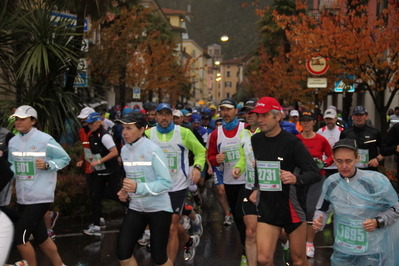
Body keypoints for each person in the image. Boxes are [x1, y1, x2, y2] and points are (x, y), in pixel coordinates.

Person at [248, 97, 321, 266]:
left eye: (265, 115)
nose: (260, 120)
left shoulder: (293, 143)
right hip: (268, 207)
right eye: (258, 115)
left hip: (292, 208)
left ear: (279, 116)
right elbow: (262, 165)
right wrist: (257, 187)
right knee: (263, 259)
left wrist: (296, 179)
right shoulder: (256, 140)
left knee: (298, 260)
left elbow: (314, 173)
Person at [313, 139, 399, 266]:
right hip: (343, 251)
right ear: (333, 159)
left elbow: (396, 208)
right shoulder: (331, 182)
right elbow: (323, 209)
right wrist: (318, 220)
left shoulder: (374, 182)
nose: (344, 166)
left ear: (357, 158)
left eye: (348, 161)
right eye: (339, 161)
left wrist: (378, 221)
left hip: (371, 251)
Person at [8, 105, 70, 266]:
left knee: (20, 238)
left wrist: (48, 165)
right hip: (23, 197)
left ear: (33, 120)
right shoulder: (13, 141)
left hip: (41, 197)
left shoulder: (45, 139)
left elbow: (65, 158)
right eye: (16, 119)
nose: (18, 122)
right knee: (41, 237)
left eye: (22, 119)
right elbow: (11, 167)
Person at [145, 103, 206, 262]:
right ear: (155, 116)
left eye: (167, 114)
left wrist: (197, 167)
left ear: (172, 116)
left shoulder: (184, 133)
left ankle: (168, 263)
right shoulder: (148, 134)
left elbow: (200, 151)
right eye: (160, 114)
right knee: (162, 225)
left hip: (178, 185)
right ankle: (188, 241)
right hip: (158, 186)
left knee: (171, 226)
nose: (164, 118)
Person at [115, 111, 173, 266]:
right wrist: (126, 190)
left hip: (159, 209)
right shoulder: (125, 150)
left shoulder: (153, 149)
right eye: (123, 128)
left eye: (129, 128)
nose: (124, 133)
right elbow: (134, 178)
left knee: (159, 256)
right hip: (136, 208)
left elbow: (166, 183)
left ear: (141, 130)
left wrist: (138, 187)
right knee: (123, 252)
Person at [207, 98, 247, 265]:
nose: (225, 113)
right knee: (238, 218)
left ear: (235, 111)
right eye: (222, 110)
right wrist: (216, 159)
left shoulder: (246, 129)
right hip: (230, 181)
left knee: (244, 215)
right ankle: (248, 245)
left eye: (228, 109)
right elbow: (210, 156)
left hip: (248, 182)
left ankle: (247, 249)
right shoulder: (217, 133)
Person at [83, 112, 127, 237]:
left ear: (98, 122)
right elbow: (97, 152)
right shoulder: (92, 135)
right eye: (88, 123)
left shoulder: (105, 136)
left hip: (112, 171)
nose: (89, 126)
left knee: (115, 193)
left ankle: (131, 207)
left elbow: (114, 152)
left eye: (92, 123)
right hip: (100, 171)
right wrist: (92, 161)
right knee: (95, 195)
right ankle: (96, 224)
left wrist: (99, 161)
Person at [296, 111, 333, 258]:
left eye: (308, 121)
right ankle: (297, 240)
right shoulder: (296, 140)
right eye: (303, 120)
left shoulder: (321, 139)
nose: (306, 123)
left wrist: (324, 163)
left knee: (311, 209)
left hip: (317, 179)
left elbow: (331, 155)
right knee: (299, 210)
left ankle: (309, 243)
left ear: (313, 123)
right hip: (299, 179)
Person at [232, 98, 260, 266]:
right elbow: (243, 158)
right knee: (250, 231)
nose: (248, 116)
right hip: (249, 186)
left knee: (281, 232)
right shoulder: (244, 133)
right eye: (246, 112)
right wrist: (238, 168)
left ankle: (285, 244)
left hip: (266, 188)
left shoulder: (265, 133)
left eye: (252, 112)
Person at [340, 106, 383, 171]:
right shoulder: (345, 133)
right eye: (356, 115)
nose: (359, 117)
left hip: (370, 170)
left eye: (361, 115)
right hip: (351, 170)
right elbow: (341, 151)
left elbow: (385, 149)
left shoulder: (374, 132)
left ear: (366, 116)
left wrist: (378, 159)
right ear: (352, 117)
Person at [316, 108, 344, 177]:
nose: (329, 121)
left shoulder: (341, 131)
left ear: (336, 119)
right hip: (325, 166)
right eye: (327, 119)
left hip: (338, 166)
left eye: (331, 119)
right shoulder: (320, 131)